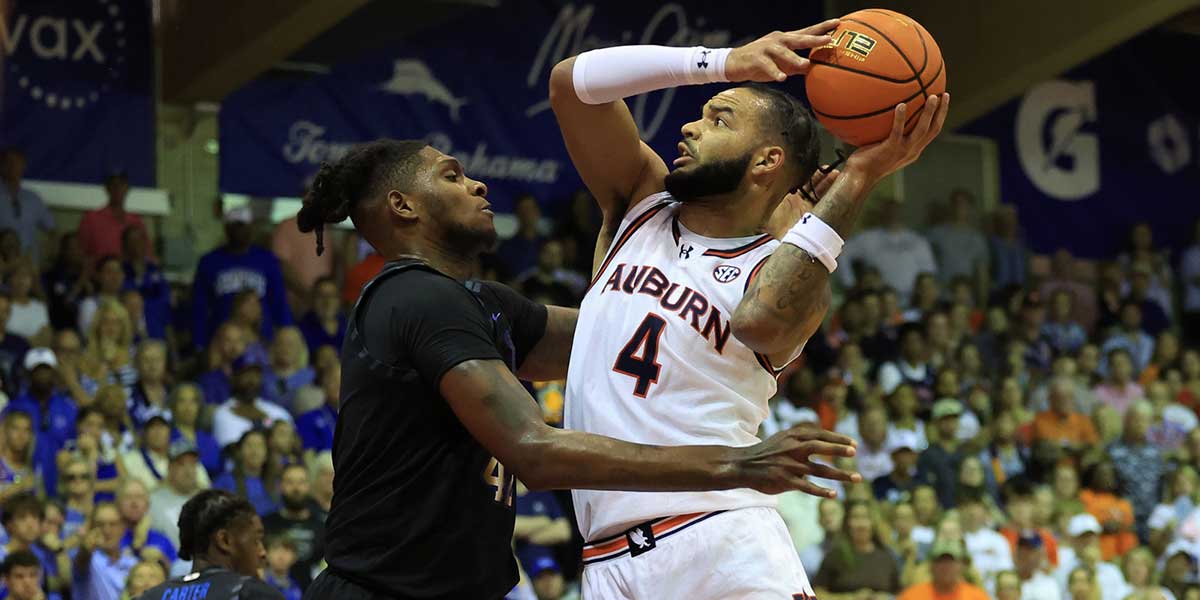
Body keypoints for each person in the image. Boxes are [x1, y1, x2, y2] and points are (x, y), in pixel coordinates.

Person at [293, 138, 860, 597]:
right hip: (381, 590)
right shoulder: (416, 299)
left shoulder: (480, 302)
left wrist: (790, 241)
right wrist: (735, 465)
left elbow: (644, 335)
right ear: (403, 206)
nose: (477, 184)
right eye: (451, 175)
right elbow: (535, 451)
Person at [548, 20, 947, 598]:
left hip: (720, 539)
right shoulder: (641, 200)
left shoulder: (784, 273)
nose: (689, 125)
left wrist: (859, 175)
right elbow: (572, 84)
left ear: (766, 161)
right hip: (606, 556)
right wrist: (725, 62)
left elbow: (758, 323)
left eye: (719, 119)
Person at [136, 489, 284, 600]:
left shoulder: (149, 597)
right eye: (256, 541)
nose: (262, 552)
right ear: (224, 541)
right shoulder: (253, 594)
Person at [190, 206, 293, 352]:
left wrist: (286, 336)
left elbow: (279, 302)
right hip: (222, 339)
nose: (239, 231)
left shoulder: (267, 260)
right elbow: (199, 306)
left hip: (261, 339)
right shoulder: (209, 261)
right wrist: (199, 343)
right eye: (234, 226)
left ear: (251, 228)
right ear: (226, 229)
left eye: (243, 226)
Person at [263, 464, 324, 590]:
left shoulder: (323, 528)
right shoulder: (265, 524)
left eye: (301, 482)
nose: (296, 488)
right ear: (280, 486)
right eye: (289, 482)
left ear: (309, 486)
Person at [212, 354, 293, 449]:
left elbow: (292, 444)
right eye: (246, 374)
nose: (252, 380)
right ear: (234, 378)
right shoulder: (223, 415)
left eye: (256, 375)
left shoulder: (278, 412)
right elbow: (230, 453)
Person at [77, 173, 153, 265]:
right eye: (113, 185)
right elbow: (80, 254)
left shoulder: (137, 221)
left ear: (127, 189)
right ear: (107, 188)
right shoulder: (90, 219)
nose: (117, 189)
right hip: (99, 277)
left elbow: (147, 255)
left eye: (121, 185)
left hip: (131, 277)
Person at [0, 148, 55, 265]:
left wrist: (47, 254)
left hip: (29, 267)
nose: (13, 167)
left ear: (23, 166)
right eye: (9, 163)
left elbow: (52, 229)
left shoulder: (33, 198)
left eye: (17, 163)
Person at [148, 441, 204, 552]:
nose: (188, 471)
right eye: (181, 464)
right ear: (170, 468)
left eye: (193, 464)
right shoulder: (153, 501)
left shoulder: (207, 501)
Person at [896, 539, 988, 600]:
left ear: (961, 566)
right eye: (940, 561)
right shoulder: (912, 596)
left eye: (951, 561)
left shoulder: (976, 596)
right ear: (930, 566)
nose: (945, 567)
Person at [121, 226, 170, 341]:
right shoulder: (120, 272)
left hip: (157, 337)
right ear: (124, 245)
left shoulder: (155, 270)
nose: (136, 244)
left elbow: (166, 309)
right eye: (131, 241)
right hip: (130, 340)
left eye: (139, 240)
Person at [213, 430, 277, 516]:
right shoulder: (224, 482)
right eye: (249, 445)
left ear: (267, 454)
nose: (254, 450)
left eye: (259, 445)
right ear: (239, 451)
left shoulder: (277, 483)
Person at [918, 399, 966, 508]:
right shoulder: (928, 455)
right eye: (945, 420)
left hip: (965, 509)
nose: (950, 424)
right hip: (940, 511)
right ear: (936, 422)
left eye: (954, 419)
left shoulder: (965, 452)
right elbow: (926, 487)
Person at [296, 277, 345, 358]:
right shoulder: (301, 330)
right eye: (321, 296)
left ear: (339, 300)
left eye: (332, 296)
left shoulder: (349, 326)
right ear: (312, 299)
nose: (327, 301)